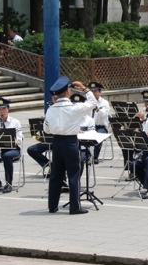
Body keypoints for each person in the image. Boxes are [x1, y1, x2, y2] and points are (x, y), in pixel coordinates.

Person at [43, 76, 96, 214]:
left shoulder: (51, 109)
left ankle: (52, 205)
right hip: (71, 141)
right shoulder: (74, 108)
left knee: (56, 174)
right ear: (68, 91)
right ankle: (74, 206)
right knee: (73, 174)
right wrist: (85, 89)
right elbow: (93, 102)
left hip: (56, 142)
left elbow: (46, 130)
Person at [0, 97, 23, 193]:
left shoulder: (15, 122)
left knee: (6, 156)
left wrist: (15, 141)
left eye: (4, 108)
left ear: (8, 109)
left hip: (12, 149)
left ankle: (8, 183)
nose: (2, 111)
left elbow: (20, 138)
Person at [73, 81, 112, 163]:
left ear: (100, 91)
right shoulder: (87, 102)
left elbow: (102, 114)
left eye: (95, 91)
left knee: (98, 135)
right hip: (88, 126)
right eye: (92, 91)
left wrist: (95, 107)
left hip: (100, 126)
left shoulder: (104, 103)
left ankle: (95, 156)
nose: (93, 93)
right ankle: (85, 154)